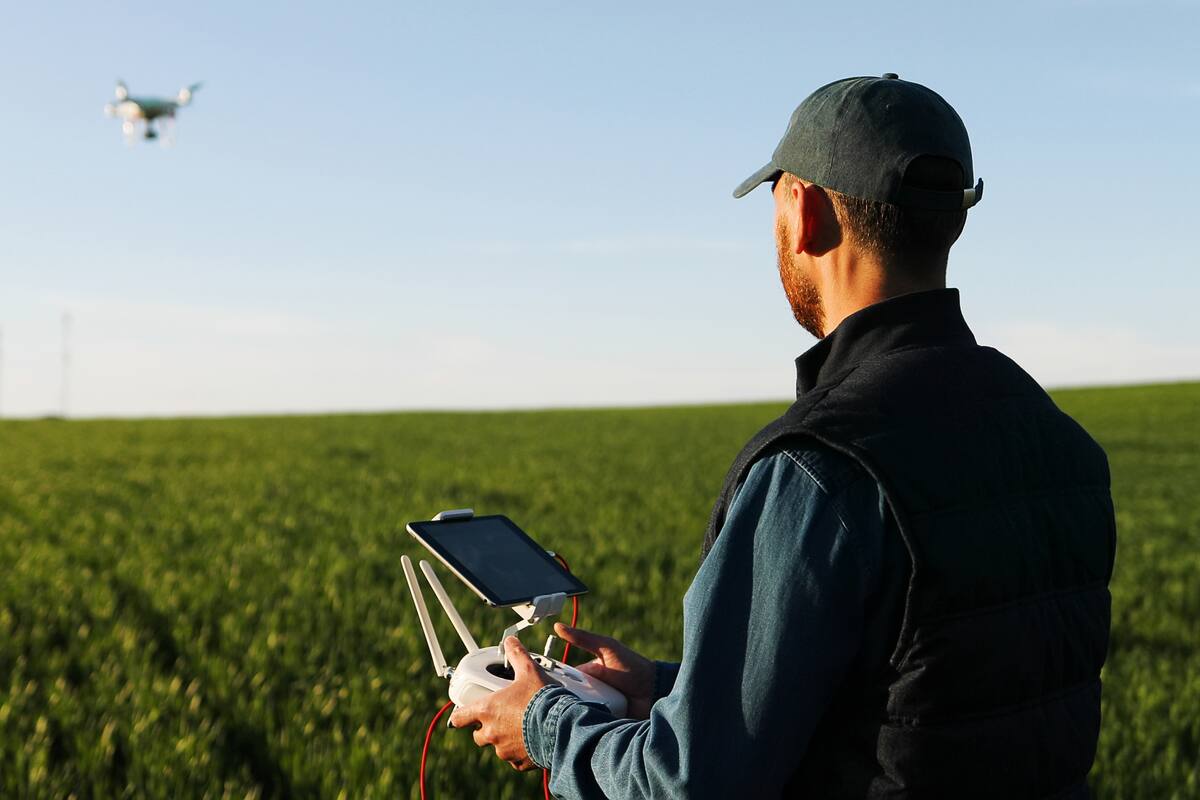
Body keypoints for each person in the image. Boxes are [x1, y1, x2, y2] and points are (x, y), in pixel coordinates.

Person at [449, 73, 1117, 799]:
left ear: (803, 211)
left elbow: (692, 785)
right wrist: (668, 689)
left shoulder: (820, 470)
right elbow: (926, 698)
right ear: (952, 220)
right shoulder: (1061, 443)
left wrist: (547, 725)